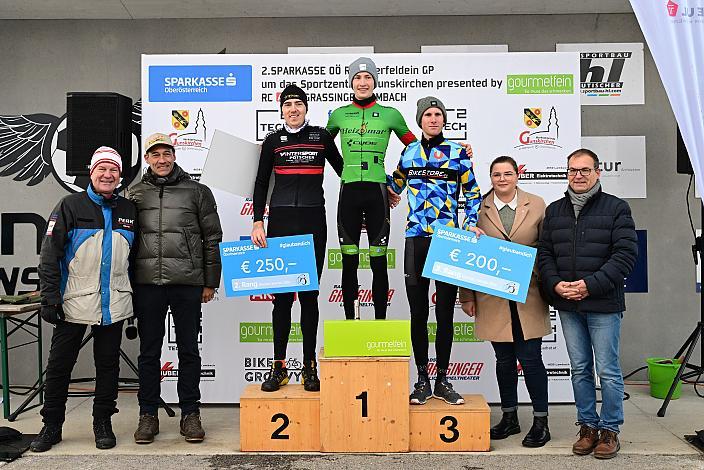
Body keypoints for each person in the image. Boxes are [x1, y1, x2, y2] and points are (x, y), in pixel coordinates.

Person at [32, 147, 137, 451]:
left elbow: (132, 259)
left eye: (114, 170)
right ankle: (51, 426)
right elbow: (50, 255)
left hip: (113, 304)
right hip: (73, 302)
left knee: (108, 366)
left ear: (120, 176)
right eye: (102, 169)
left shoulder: (129, 210)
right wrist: (50, 298)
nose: (108, 175)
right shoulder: (69, 205)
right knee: (59, 367)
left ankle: (103, 423)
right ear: (91, 173)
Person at [537, 148, 637, 459]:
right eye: (572, 170)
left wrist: (588, 286)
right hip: (568, 306)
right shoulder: (554, 211)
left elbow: (625, 256)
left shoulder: (617, 208)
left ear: (597, 172)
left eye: (584, 170)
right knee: (580, 369)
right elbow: (545, 254)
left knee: (607, 370)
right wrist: (555, 284)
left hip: (603, 304)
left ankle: (610, 431)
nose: (577, 176)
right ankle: (587, 427)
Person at [387, 97, 482, 405]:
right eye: (427, 114)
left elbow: (473, 191)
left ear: (444, 120)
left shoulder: (457, 152)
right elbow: (394, 186)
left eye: (438, 114)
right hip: (415, 239)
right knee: (418, 313)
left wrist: (468, 223)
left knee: (444, 314)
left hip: (446, 239)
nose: (433, 118)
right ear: (420, 120)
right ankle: (422, 379)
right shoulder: (409, 152)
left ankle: (442, 378)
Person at [130, 132, 223, 444]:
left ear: (174, 154)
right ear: (147, 159)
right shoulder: (134, 194)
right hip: (147, 285)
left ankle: (190, 414)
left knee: (188, 350)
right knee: (148, 352)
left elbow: (212, 238)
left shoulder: (198, 191)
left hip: (186, 283)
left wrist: (210, 281)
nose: (161, 160)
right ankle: (147, 415)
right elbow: (125, 243)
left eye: (166, 153)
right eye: (155, 154)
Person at [251, 85, 343, 392]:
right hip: (280, 222)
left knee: (309, 297)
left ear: (306, 108)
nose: (293, 109)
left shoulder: (321, 138)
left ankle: (309, 367)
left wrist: (380, 188)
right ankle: (278, 368)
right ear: (281, 110)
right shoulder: (273, 142)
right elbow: (262, 181)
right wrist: (256, 222)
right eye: (288, 104)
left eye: (298, 104)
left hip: (313, 221)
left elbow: (347, 171)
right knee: (281, 300)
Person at [459, 156, 552, 447]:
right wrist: (467, 295)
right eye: (497, 174)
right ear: (491, 177)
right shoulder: (478, 206)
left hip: (529, 291)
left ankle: (541, 421)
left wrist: (527, 266)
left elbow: (547, 246)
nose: (502, 178)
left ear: (516, 175)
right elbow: (465, 251)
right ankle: (509, 417)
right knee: (504, 360)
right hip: (491, 295)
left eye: (508, 173)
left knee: (531, 358)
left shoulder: (537, 204)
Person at [327, 57, 416, 320]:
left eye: (367, 78)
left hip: (377, 192)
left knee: (378, 262)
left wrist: (396, 182)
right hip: (349, 193)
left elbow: (416, 149)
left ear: (375, 81)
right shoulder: (340, 114)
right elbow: (319, 144)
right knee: (349, 262)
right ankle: (350, 323)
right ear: (351, 82)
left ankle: (380, 325)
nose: (362, 83)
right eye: (357, 78)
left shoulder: (391, 114)